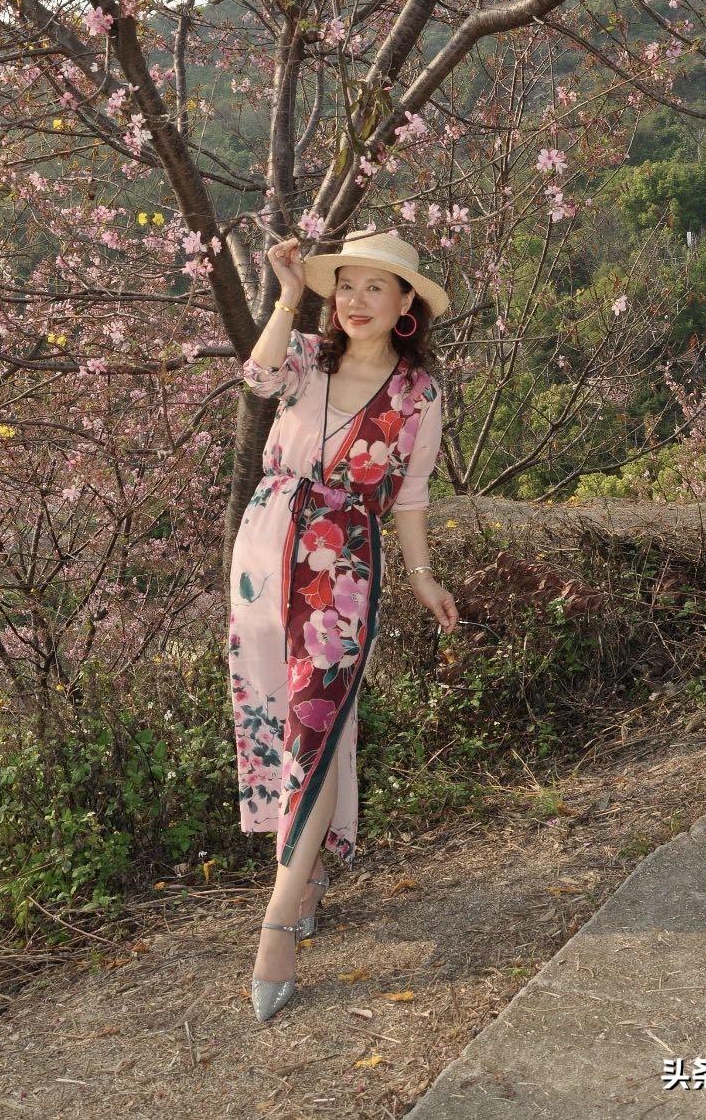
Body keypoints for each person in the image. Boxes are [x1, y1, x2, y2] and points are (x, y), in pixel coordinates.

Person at [228, 225, 459, 1021]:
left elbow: (412, 496)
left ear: (405, 303)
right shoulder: (305, 357)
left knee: (317, 726)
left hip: (344, 564)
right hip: (264, 550)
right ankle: (313, 868)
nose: (356, 301)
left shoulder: (418, 394)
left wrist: (423, 579)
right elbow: (256, 377)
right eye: (346, 285)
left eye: (375, 287)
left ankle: (278, 921)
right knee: (276, 712)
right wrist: (288, 295)